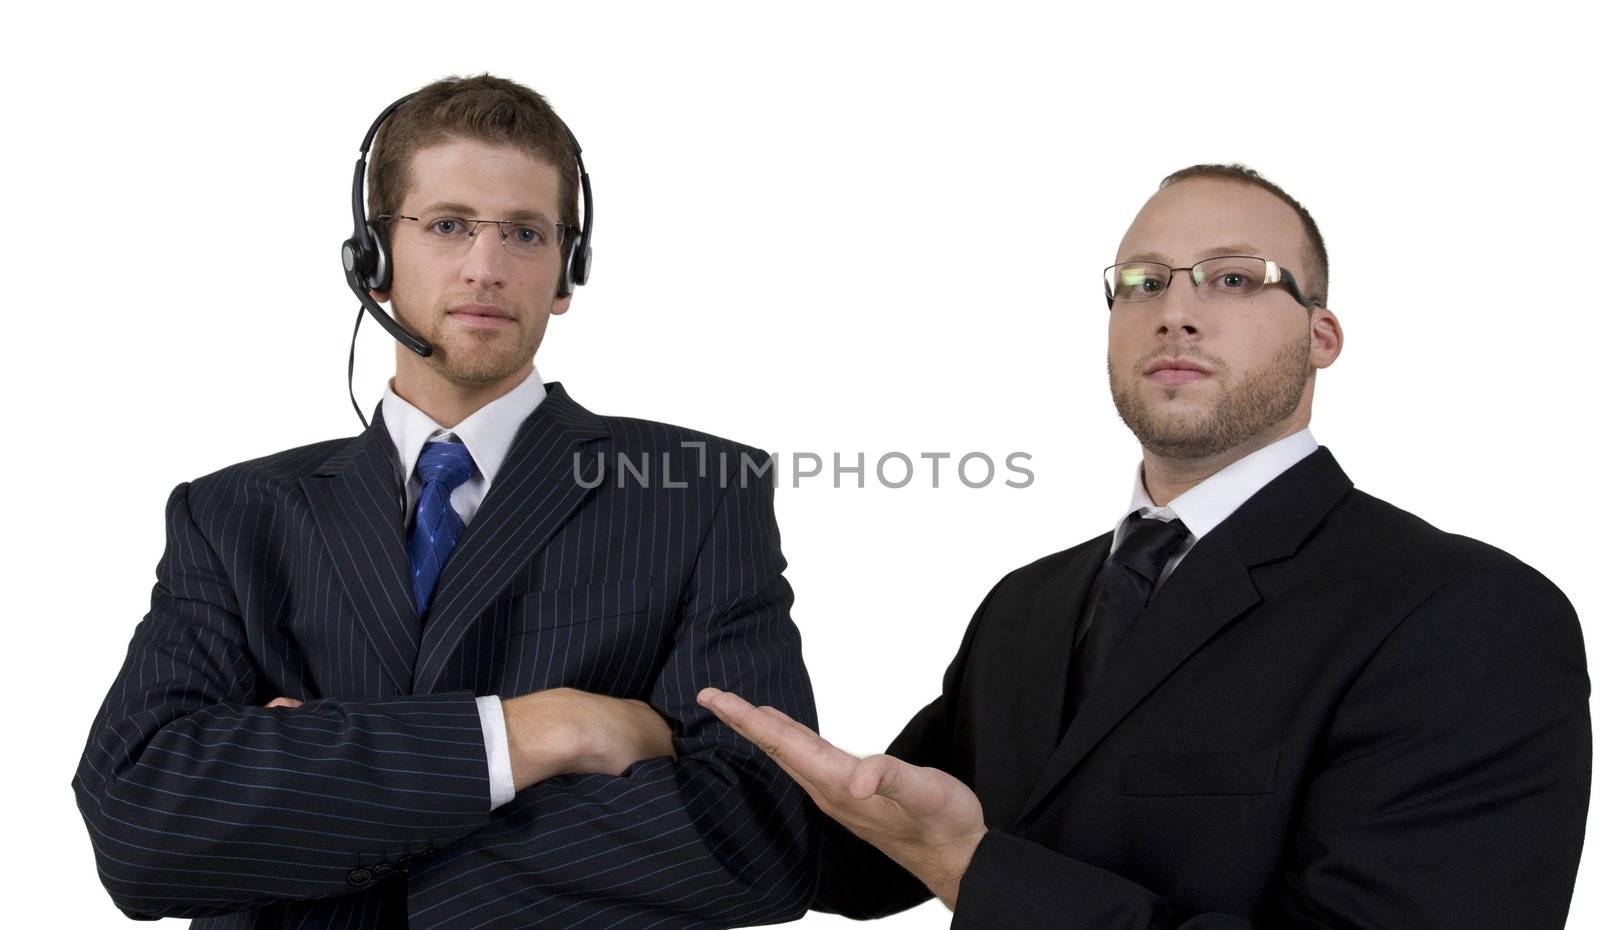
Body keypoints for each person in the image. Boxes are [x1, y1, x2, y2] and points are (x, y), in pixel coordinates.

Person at [701, 164, 1591, 928]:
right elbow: (863, 854)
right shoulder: (1028, 606)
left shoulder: (1468, 615)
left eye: (1235, 279)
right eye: (1143, 281)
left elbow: (954, 856)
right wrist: (629, 728)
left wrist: (973, 870)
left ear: (1323, 337)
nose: (1176, 311)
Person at [72, 73, 819, 929]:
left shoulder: (700, 491)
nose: (487, 266)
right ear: (373, 262)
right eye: (449, 225)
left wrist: (307, 809)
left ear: (568, 273)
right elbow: (141, 826)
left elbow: (759, 838)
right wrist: (545, 731)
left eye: (526, 234)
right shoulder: (232, 514)